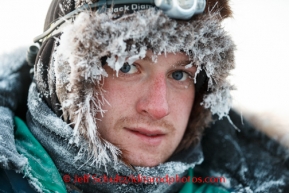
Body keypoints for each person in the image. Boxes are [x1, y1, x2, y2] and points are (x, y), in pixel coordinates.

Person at [0, 0, 288, 192]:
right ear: (61, 77)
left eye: (180, 75)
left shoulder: (267, 179)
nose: (158, 107)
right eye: (127, 66)